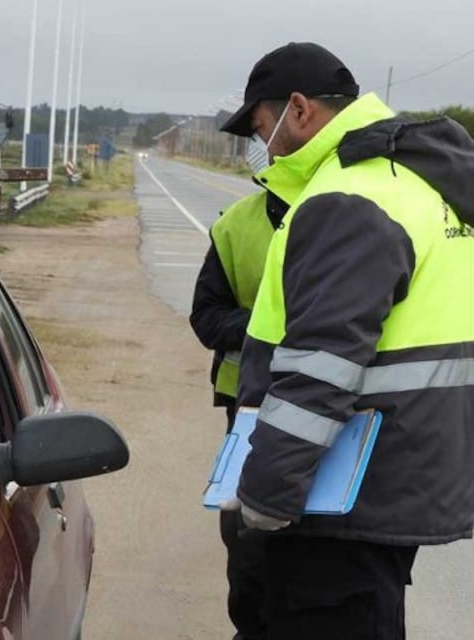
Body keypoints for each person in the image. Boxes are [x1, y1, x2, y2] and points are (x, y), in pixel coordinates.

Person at [217, 41, 474, 639]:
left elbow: (322, 365)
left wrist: (267, 495)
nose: (264, 145)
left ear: (299, 109)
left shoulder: (350, 196)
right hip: (399, 474)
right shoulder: (421, 184)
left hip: (339, 494)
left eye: (261, 128)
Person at [190, 187, 286, 640]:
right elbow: (206, 318)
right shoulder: (236, 224)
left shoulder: (364, 209)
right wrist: (271, 326)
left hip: (347, 411)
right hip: (249, 408)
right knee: (248, 540)